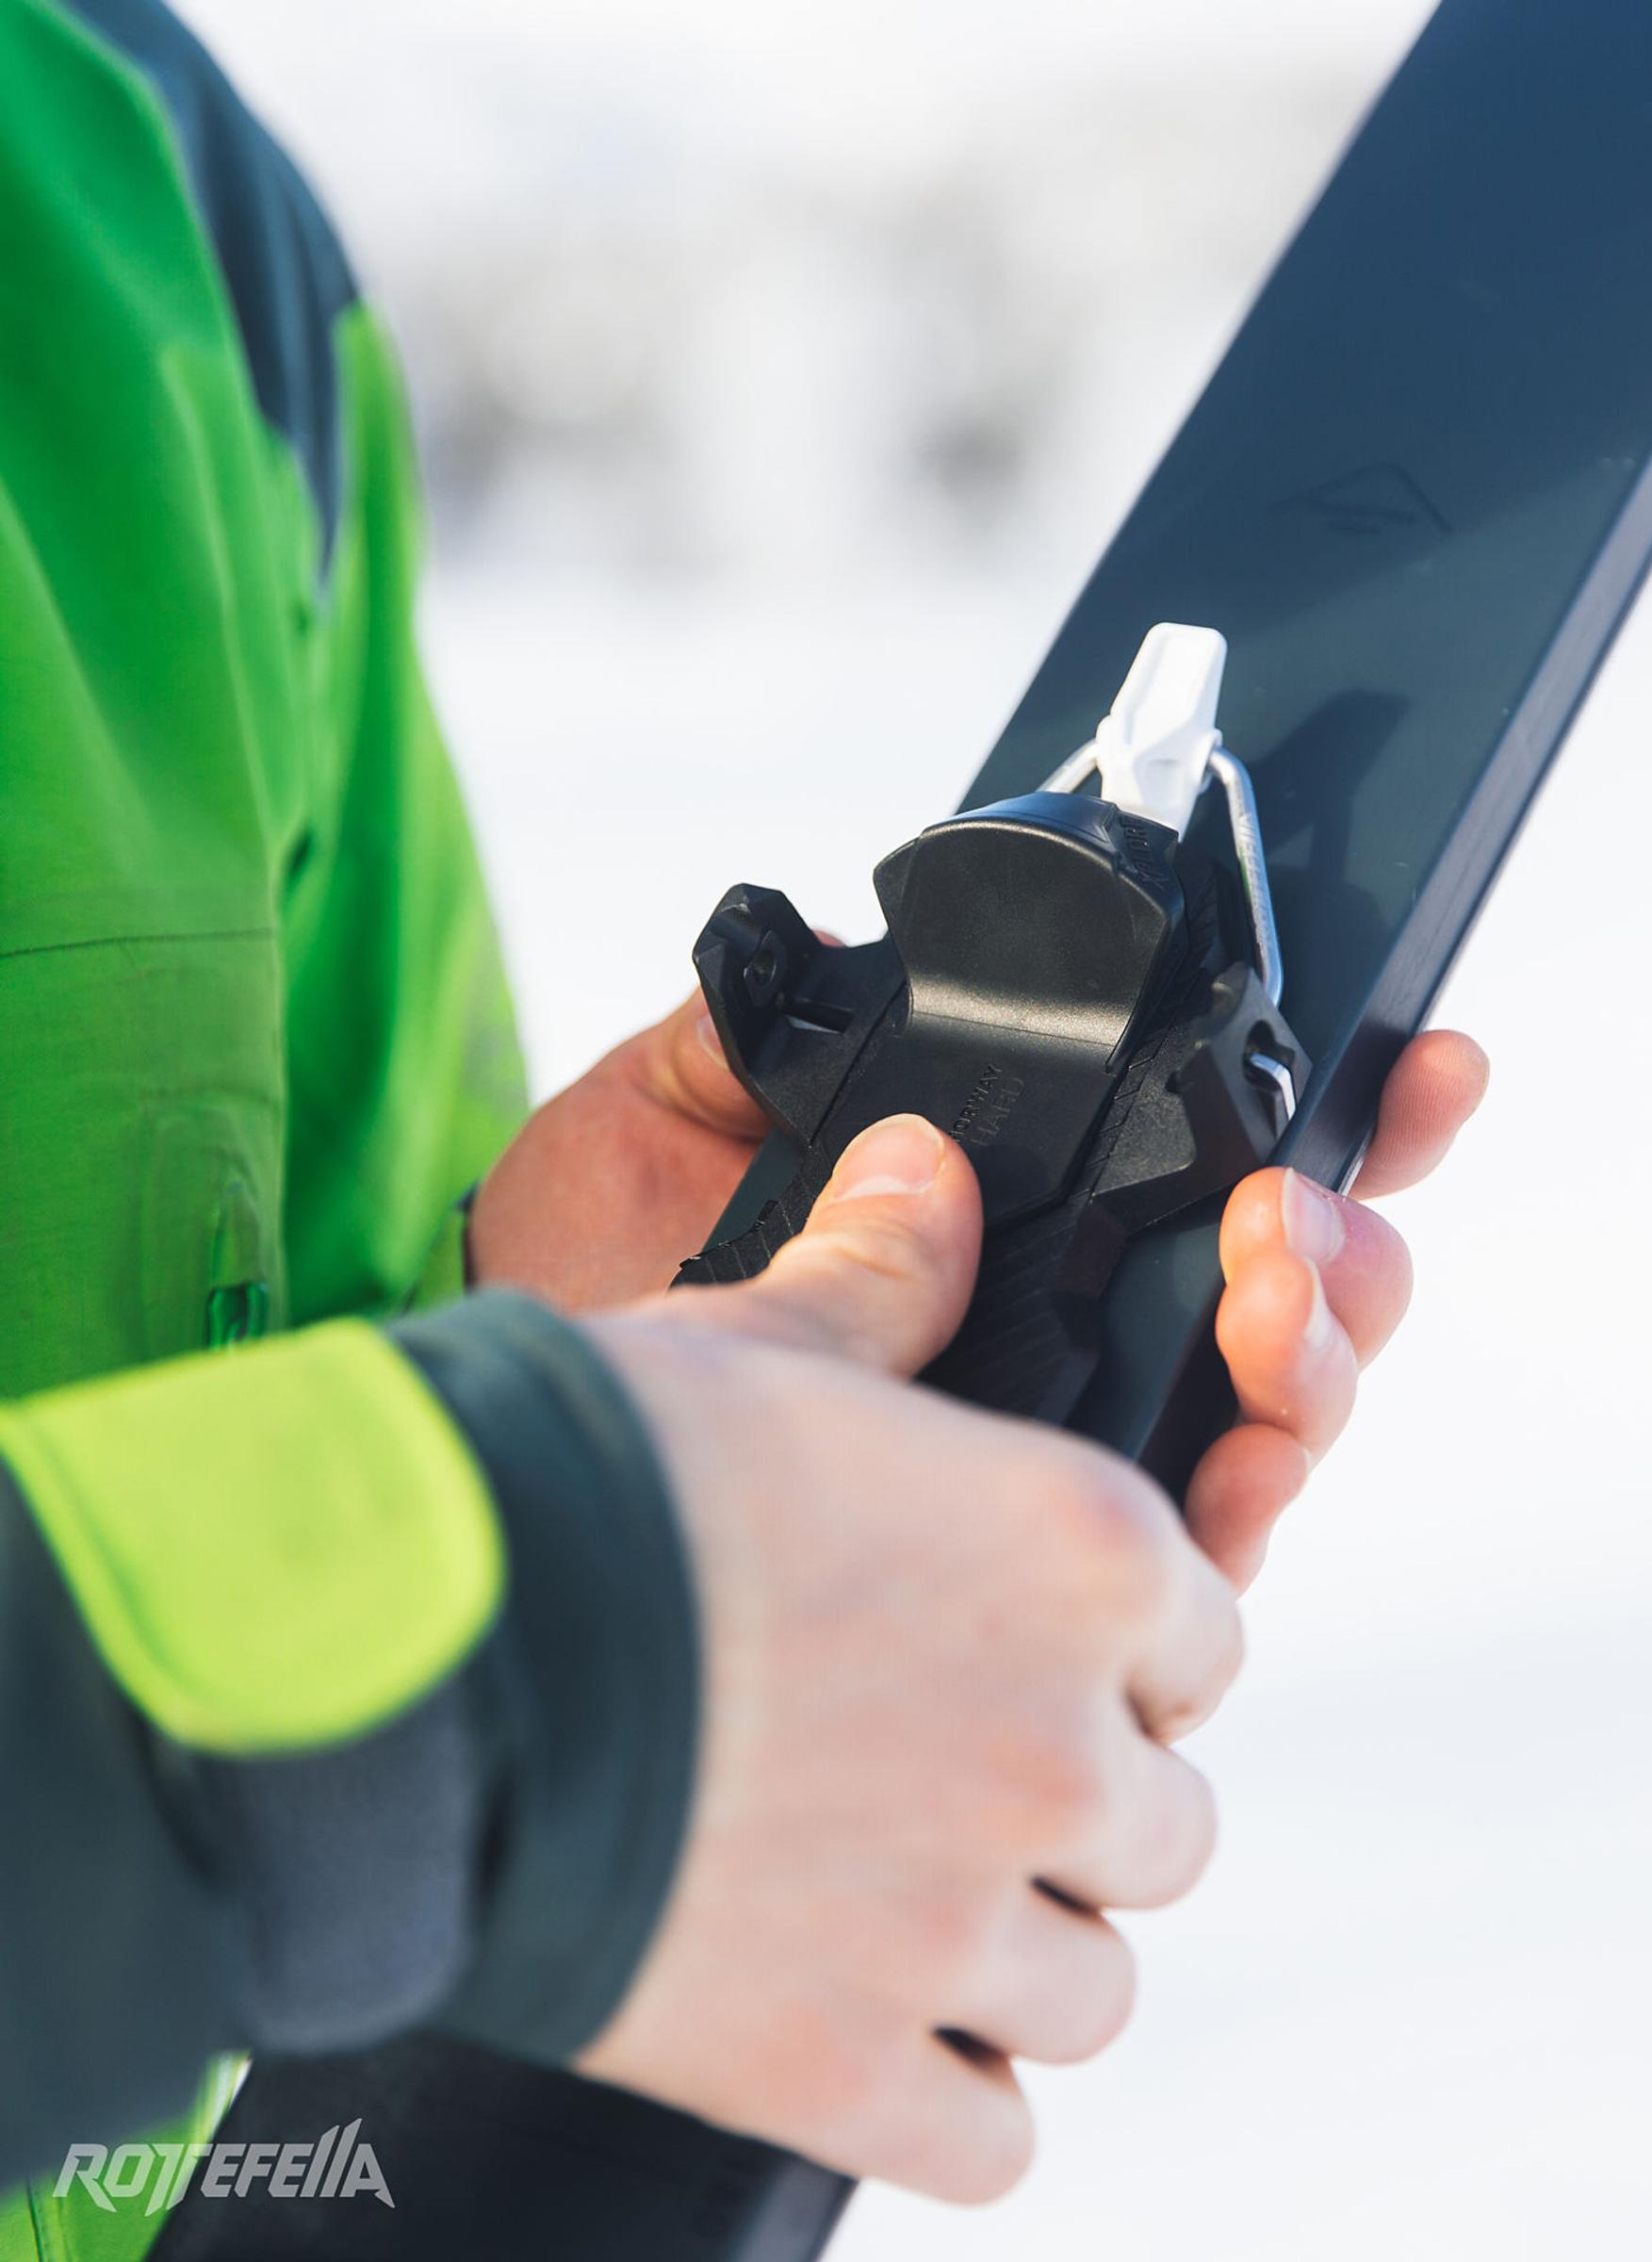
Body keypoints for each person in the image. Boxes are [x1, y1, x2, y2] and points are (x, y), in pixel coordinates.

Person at [0, 0, 1489, 2252]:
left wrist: (564, 1380)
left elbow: (293, 1370)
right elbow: (384, 1634)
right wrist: (443, 1697)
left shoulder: (154, 227)